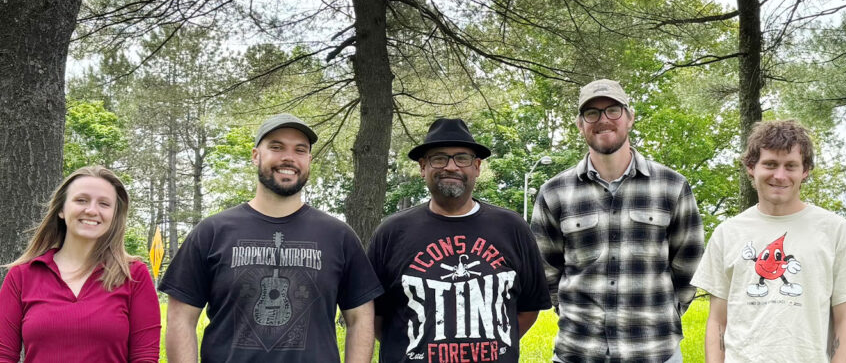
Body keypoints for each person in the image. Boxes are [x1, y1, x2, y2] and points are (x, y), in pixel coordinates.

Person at [160, 113, 383, 362]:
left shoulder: (339, 236)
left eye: (300, 150)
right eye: (276, 147)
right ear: (256, 155)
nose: (288, 157)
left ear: (309, 159)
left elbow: (360, 318)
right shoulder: (212, 232)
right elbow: (181, 318)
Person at [530, 79, 705, 362]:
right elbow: (546, 270)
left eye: (613, 110)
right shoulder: (554, 192)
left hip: (655, 352)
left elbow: (689, 263)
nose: (603, 120)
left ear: (630, 117)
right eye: (592, 113)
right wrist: (573, 313)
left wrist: (664, 313)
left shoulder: (672, 186)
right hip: (579, 351)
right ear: (580, 124)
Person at [690, 119, 846, 363]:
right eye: (770, 164)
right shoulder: (728, 233)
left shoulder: (835, 231)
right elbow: (717, 320)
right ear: (751, 166)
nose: (780, 176)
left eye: (790, 166)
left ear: (805, 170)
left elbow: (845, 322)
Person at [368, 118, 551, 362]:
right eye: (439, 158)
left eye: (462, 158)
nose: (451, 167)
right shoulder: (391, 232)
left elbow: (528, 308)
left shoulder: (512, 228)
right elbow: (373, 316)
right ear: (423, 167)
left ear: (476, 166)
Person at [0, 166, 161, 363]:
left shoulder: (134, 275)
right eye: (81, 200)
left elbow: (144, 357)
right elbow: (3, 355)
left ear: (114, 215)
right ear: (61, 209)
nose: (92, 210)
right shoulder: (22, 275)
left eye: (104, 204)